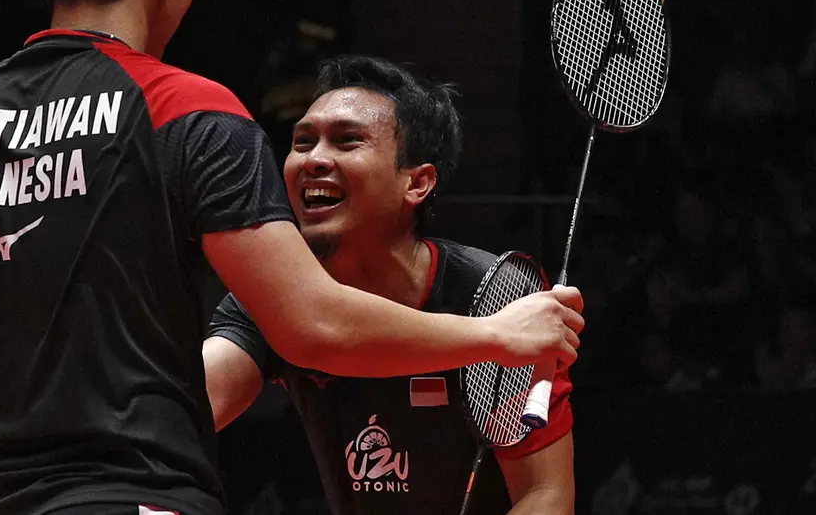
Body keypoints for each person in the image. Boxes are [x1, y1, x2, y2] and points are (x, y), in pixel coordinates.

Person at [0, 0, 581, 515]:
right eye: (303, 140)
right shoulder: (186, 111)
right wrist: (499, 336)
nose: (315, 159)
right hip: (129, 497)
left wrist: (36, 274)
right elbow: (311, 325)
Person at [205, 56, 584, 515]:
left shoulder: (495, 299)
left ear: (417, 182)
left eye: (347, 141)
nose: (314, 159)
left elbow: (544, 495)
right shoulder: (272, 298)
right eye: (302, 141)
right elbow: (191, 405)